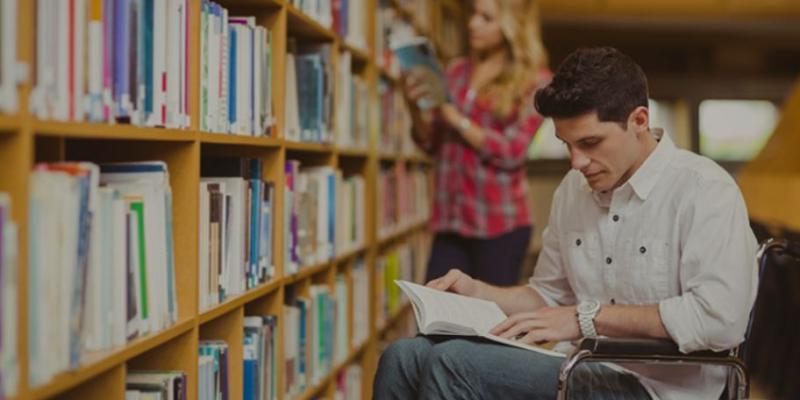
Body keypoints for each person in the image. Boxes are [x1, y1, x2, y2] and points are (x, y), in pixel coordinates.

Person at [373, 47, 758, 399]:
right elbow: (548, 296)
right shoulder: (574, 189)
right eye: (566, 145)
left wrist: (584, 319)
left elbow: (719, 320)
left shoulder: (704, 190)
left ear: (638, 120)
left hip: (659, 386)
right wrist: (478, 291)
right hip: (580, 366)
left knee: (453, 362)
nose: (576, 162)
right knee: (403, 356)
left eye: (590, 144)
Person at [403, 0, 550, 286]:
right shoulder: (456, 72)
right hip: (450, 220)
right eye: (474, 15)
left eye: (486, 18)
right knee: (434, 311)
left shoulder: (536, 82)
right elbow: (431, 143)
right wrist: (413, 107)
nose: (472, 23)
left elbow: (513, 151)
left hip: (500, 226)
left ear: (511, 27)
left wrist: (455, 118)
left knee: (489, 322)